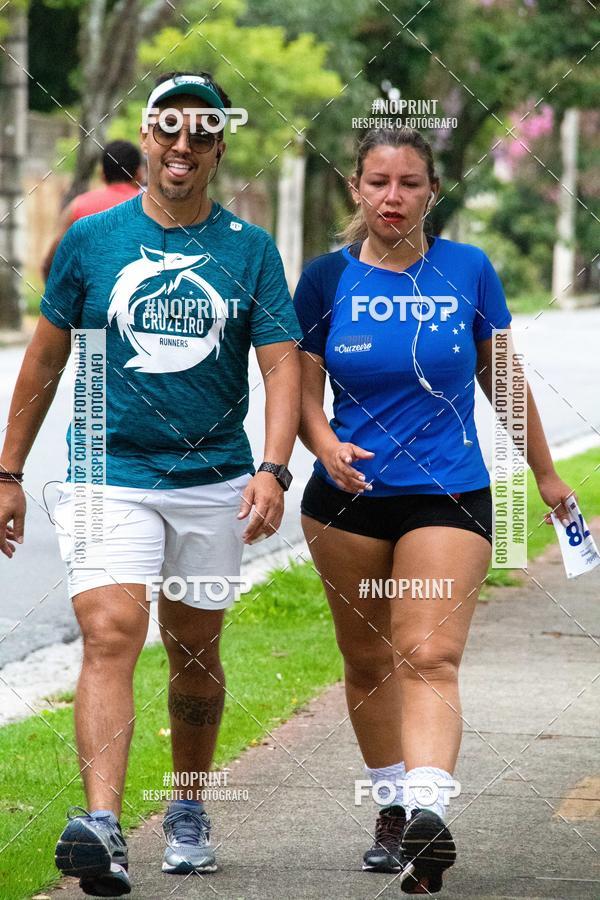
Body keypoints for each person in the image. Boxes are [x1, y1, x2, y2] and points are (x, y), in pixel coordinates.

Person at [0, 71, 301, 897]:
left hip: (213, 481)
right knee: (109, 635)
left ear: (218, 147)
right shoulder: (95, 241)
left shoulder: (248, 248)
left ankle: (191, 807)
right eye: (168, 128)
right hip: (108, 469)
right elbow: (46, 357)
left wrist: (273, 468)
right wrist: (8, 470)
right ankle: (103, 828)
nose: (182, 145)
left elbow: (281, 367)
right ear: (149, 134)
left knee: (194, 650)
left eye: (201, 132)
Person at [293, 127, 574, 893]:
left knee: (427, 655)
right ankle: (391, 805)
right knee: (367, 663)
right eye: (379, 182)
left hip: (449, 493)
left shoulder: (467, 271)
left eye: (410, 183)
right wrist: (323, 447)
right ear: (357, 188)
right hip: (346, 503)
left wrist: (546, 476)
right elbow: (298, 394)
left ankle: (428, 816)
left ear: (432, 192)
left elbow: (503, 382)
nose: (393, 197)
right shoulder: (324, 280)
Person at [41, 140, 144, 280]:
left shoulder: (77, 207)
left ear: (102, 173)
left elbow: (51, 262)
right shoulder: (152, 209)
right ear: (139, 173)